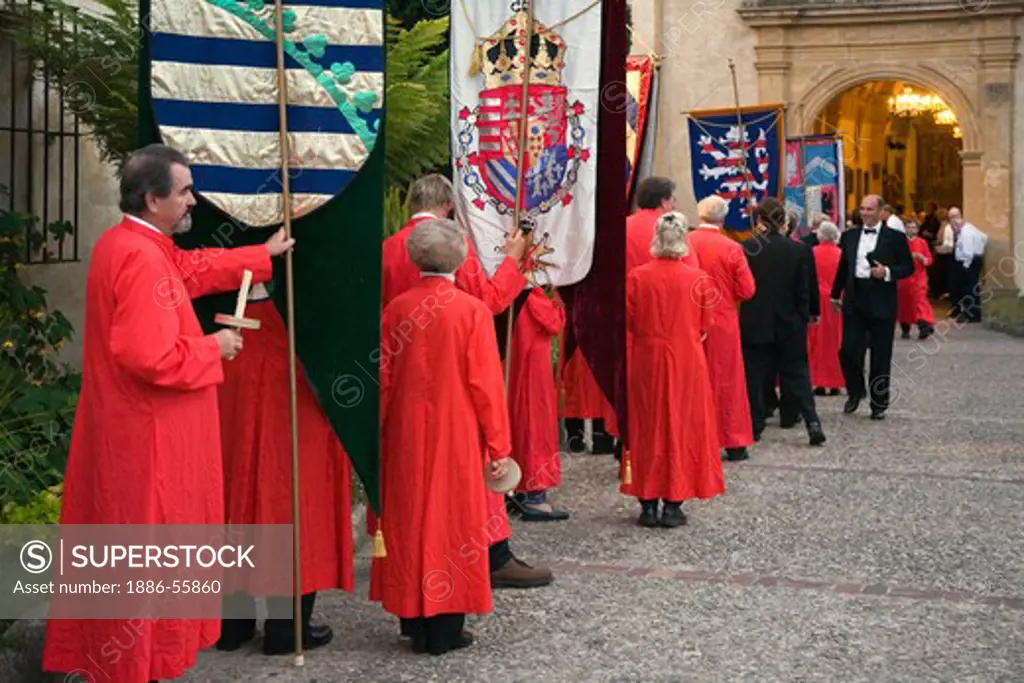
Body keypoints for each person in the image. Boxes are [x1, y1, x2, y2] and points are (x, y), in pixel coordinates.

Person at [42, 144, 294, 683]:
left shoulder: (129, 244)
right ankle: (138, 667)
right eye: (183, 192)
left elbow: (188, 268)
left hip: (133, 430)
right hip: (149, 437)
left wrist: (259, 254)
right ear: (153, 198)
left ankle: (131, 663)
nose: (191, 202)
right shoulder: (139, 257)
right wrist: (216, 346)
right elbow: (147, 356)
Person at [378, 173, 551, 589]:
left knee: (411, 479)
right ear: (449, 207)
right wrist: (513, 260)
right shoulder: (454, 248)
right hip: (455, 386)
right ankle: (490, 555)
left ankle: (409, 560)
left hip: (404, 386)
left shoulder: (385, 250)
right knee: (467, 479)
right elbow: (488, 302)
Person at [371, 218, 513, 656]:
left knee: (409, 516)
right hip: (456, 429)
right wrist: (499, 446)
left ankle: (412, 617)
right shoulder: (470, 311)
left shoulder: (395, 308)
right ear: (461, 256)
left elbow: (383, 378)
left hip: (406, 430)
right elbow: (486, 385)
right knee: (452, 522)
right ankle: (446, 624)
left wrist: (379, 433)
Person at [215, 284, 353, 654]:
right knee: (293, 500)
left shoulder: (216, 276)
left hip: (233, 348)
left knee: (235, 495)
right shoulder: (303, 290)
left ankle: (232, 622)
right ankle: (285, 625)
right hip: (289, 367)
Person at [623, 211, 724, 528]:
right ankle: (673, 502)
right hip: (685, 359)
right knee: (681, 425)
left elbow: (628, 321)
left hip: (647, 359)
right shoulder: (698, 279)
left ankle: (647, 501)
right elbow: (707, 323)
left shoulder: (637, 277)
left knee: (647, 425)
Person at [740, 198, 826, 446]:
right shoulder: (799, 250)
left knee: (755, 375)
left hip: (756, 320)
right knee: (797, 373)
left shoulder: (746, 248)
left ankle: (755, 424)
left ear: (759, 222)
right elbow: (807, 288)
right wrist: (808, 314)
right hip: (790, 321)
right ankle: (811, 420)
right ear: (783, 222)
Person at [830, 194, 914, 420]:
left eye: (869, 209)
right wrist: (835, 295)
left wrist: (887, 272)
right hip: (855, 297)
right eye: (862, 209)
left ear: (880, 211)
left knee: (880, 354)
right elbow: (843, 267)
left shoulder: (895, 237)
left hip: (881, 298)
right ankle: (855, 391)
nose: (865, 213)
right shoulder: (849, 236)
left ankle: (879, 403)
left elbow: (908, 267)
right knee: (848, 351)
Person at [688, 195, 757, 462]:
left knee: (694, 382)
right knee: (727, 381)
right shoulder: (731, 248)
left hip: (691, 319)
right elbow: (747, 289)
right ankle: (732, 441)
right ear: (723, 217)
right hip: (722, 320)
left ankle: (695, 438)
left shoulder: (687, 243)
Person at [507, 286, 568, 521]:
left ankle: (515, 486)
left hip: (515, 367)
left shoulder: (508, 292)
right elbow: (554, 322)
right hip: (533, 369)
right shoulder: (534, 295)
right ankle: (535, 494)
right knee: (536, 426)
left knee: (516, 422)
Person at [626, 176, 698, 273]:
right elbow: (691, 268)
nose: (674, 205)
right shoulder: (673, 228)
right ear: (663, 202)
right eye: (673, 199)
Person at [807, 221, 845, 395]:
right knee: (835, 340)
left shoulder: (811, 253)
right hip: (836, 301)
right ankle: (835, 381)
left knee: (817, 340)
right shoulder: (841, 254)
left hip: (816, 300)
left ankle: (819, 380)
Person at [946, 207, 988, 323]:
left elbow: (968, 253)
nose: (954, 231)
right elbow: (984, 237)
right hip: (974, 260)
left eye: (953, 228)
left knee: (968, 289)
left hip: (968, 263)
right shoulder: (971, 229)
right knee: (970, 288)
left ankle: (972, 314)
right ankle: (971, 313)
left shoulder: (966, 234)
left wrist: (965, 267)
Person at [897, 219, 935, 340]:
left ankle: (924, 325)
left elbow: (929, 259)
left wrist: (922, 258)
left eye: (914, 227)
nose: (911, 230)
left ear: (918, 229)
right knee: (904, 303)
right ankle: (905, 327)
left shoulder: (922, 243)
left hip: (919, 276)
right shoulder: (901, 242)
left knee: (920, 300)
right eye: (909, 227)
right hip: (904, 278)